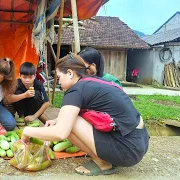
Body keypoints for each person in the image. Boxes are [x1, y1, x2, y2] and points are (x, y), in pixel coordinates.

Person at [21, 54, 149, 176]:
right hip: (138, 142)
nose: (59, 82)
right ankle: (106, 157)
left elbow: (61, 133)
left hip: (128, 150)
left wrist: (27, 131)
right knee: (67, 121)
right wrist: (56, 120)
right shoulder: (90, 82)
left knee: (69, 125)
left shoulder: (75, 90)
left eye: (59, 77)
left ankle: (102, 162)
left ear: (70, 73)